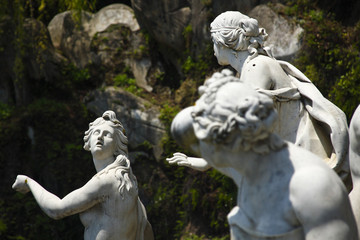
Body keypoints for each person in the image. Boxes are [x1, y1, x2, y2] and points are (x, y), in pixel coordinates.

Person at [168, 11, 349, 182]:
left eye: (214, 42)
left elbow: (249, 127)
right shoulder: (251, 69)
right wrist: (203, 161)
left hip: (303, 158)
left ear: (224, 41)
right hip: (292, 157)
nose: (213, 49)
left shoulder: (257, 67)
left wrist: (206, 157)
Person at [171, 74, 358, 239]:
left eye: (201, 138)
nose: (196, 146)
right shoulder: (248, 166)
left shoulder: (311, 186)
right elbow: (180, 126)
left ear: (226, 142)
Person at [12, 110, 154, 240]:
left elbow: (56, 210)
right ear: (88, 141)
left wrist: (28, 182)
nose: (100, 137)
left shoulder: (107, 180)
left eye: (107, 134)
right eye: (97, 132)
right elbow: (147, 231)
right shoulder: (127, 185)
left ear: (117, 146)